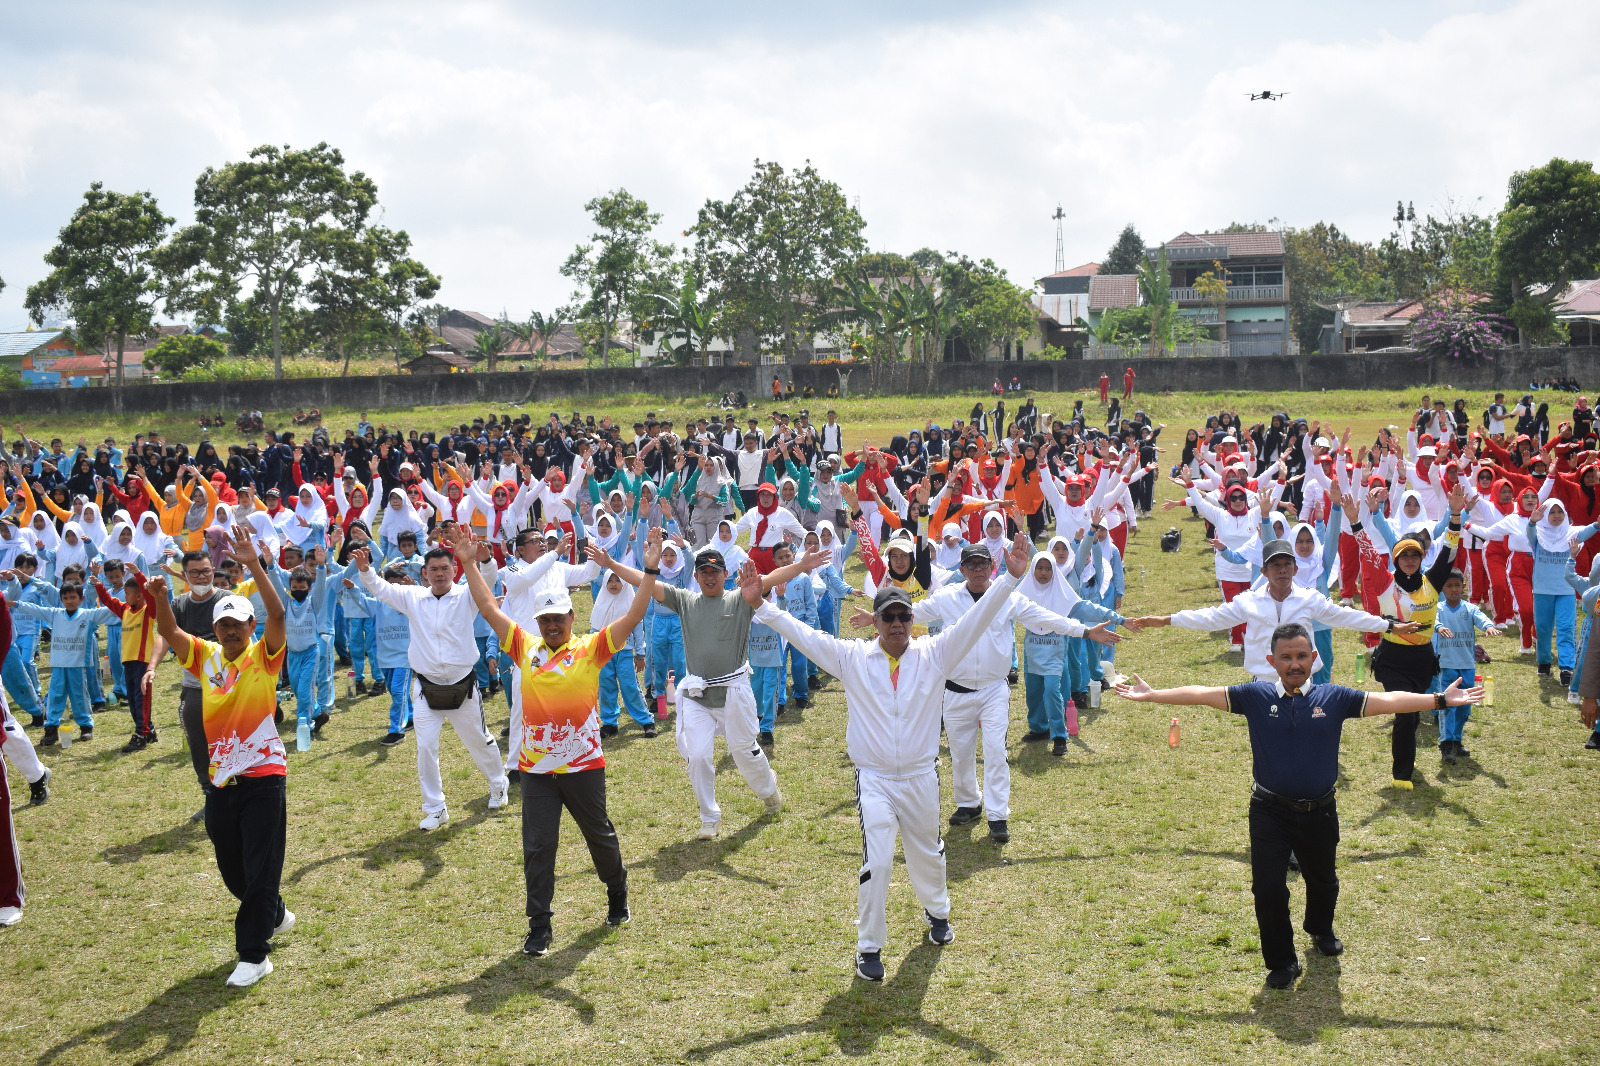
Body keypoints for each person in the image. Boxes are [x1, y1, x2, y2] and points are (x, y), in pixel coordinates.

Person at [1114, 622, 1484, 989]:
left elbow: (1388, 701)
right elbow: (1201, 693)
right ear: (1271, 660)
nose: (1295, 664)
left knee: (1322, 880)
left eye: (1302, 656)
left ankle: (1320, 928)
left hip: (1320, 810)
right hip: (1269, 810)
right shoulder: (1254, 696)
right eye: (1286, 657)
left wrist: (1439, 700)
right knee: (1268, 888)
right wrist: (1154, 695)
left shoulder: (1334, 699)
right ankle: (1282, 961)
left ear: (1314, 658)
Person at [742, 533, 1031, 982]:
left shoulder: (934, 653)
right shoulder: (852, 657)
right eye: (888, 617)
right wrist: (762, 607)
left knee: (927, 855)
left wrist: (1011, 577)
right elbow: (803, 635)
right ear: (875, 623)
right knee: (877, 860)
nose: (896, 624)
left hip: (920, 776)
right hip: (874, 778)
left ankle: (937, 913)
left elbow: (978, 618)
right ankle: (868, 947)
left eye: (903, 616)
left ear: (914, 619)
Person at [452, 523, 654, 957]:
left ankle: (617, 893)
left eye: (558, 618)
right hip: (538, 772)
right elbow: (488, 608)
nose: (552, 625)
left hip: (584, 767)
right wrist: (468, 563)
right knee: (538, 847)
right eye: (545, 619)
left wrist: (650, 569)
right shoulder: (525, 648)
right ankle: (539, 926)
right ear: (537, 621)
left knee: (599, 837)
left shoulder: (591, 647)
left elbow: (634, 615)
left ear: (571, 618)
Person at [147, 524, 294, 988]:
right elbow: (169, 629)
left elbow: (277, 611)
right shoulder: (206, 657)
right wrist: (158, 596)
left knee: (261, 864)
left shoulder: (264, 656)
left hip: (264, 777)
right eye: (223, 625)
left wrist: (253, 565)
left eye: (238, 624)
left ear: (251, 629)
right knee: (234, 869)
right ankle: (276, 912)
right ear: (215, 629)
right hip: (221, 780)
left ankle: (254, 954)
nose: (231, 631)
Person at [914, 541, 1122, 842]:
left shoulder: (1006, 597)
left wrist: (1085, 631)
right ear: (961, 570)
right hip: (956, 690)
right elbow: (911, 612)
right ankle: (969, 803)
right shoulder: (946, 598)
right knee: (960, 754)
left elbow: (1045, 617)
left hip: (993, 690)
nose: (977, 570)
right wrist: (876, 615)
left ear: (991, 567)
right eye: (970, 565)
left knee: (996, 752)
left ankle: (998, 816)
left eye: (982, 564)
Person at [602, 543, 787, 839]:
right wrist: (611, 562)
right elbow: (645, 582)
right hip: (697, 695)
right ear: (696, 576)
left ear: (726, 574)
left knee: (745, 752)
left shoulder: (740, 598)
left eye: (715, 571)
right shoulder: (685, 600)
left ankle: (769, 791)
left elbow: (775, 578)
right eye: (704, 572)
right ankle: (709, 815)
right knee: (698, 756)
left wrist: (804, 565)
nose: (709, 577)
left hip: (733, 692)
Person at [352, 543, 509, 830]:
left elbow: (487, 579)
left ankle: (499, 785)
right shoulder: (413, 597)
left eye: (445, 568)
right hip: (426, 687)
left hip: (463, 686)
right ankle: (436, 808)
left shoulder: (466, 595)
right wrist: (366, 571)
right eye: (433, 569)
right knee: (425, 748)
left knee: (479, 741)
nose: (439, 574)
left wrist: (483, 560)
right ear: (424, 573)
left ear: (455, 570)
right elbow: (382, 590)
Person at [1131, 538, 1410, 683]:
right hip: (1263, 681)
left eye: (1287, 565)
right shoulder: (1248, 601)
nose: (1282, 571)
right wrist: (1167, 620)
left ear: (1295, 569)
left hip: (1303, 679)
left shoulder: (1308, 598)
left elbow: (1346, 615)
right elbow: (1211, 618)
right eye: (1275, 566)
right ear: (1263, 571)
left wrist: (1387, 625)